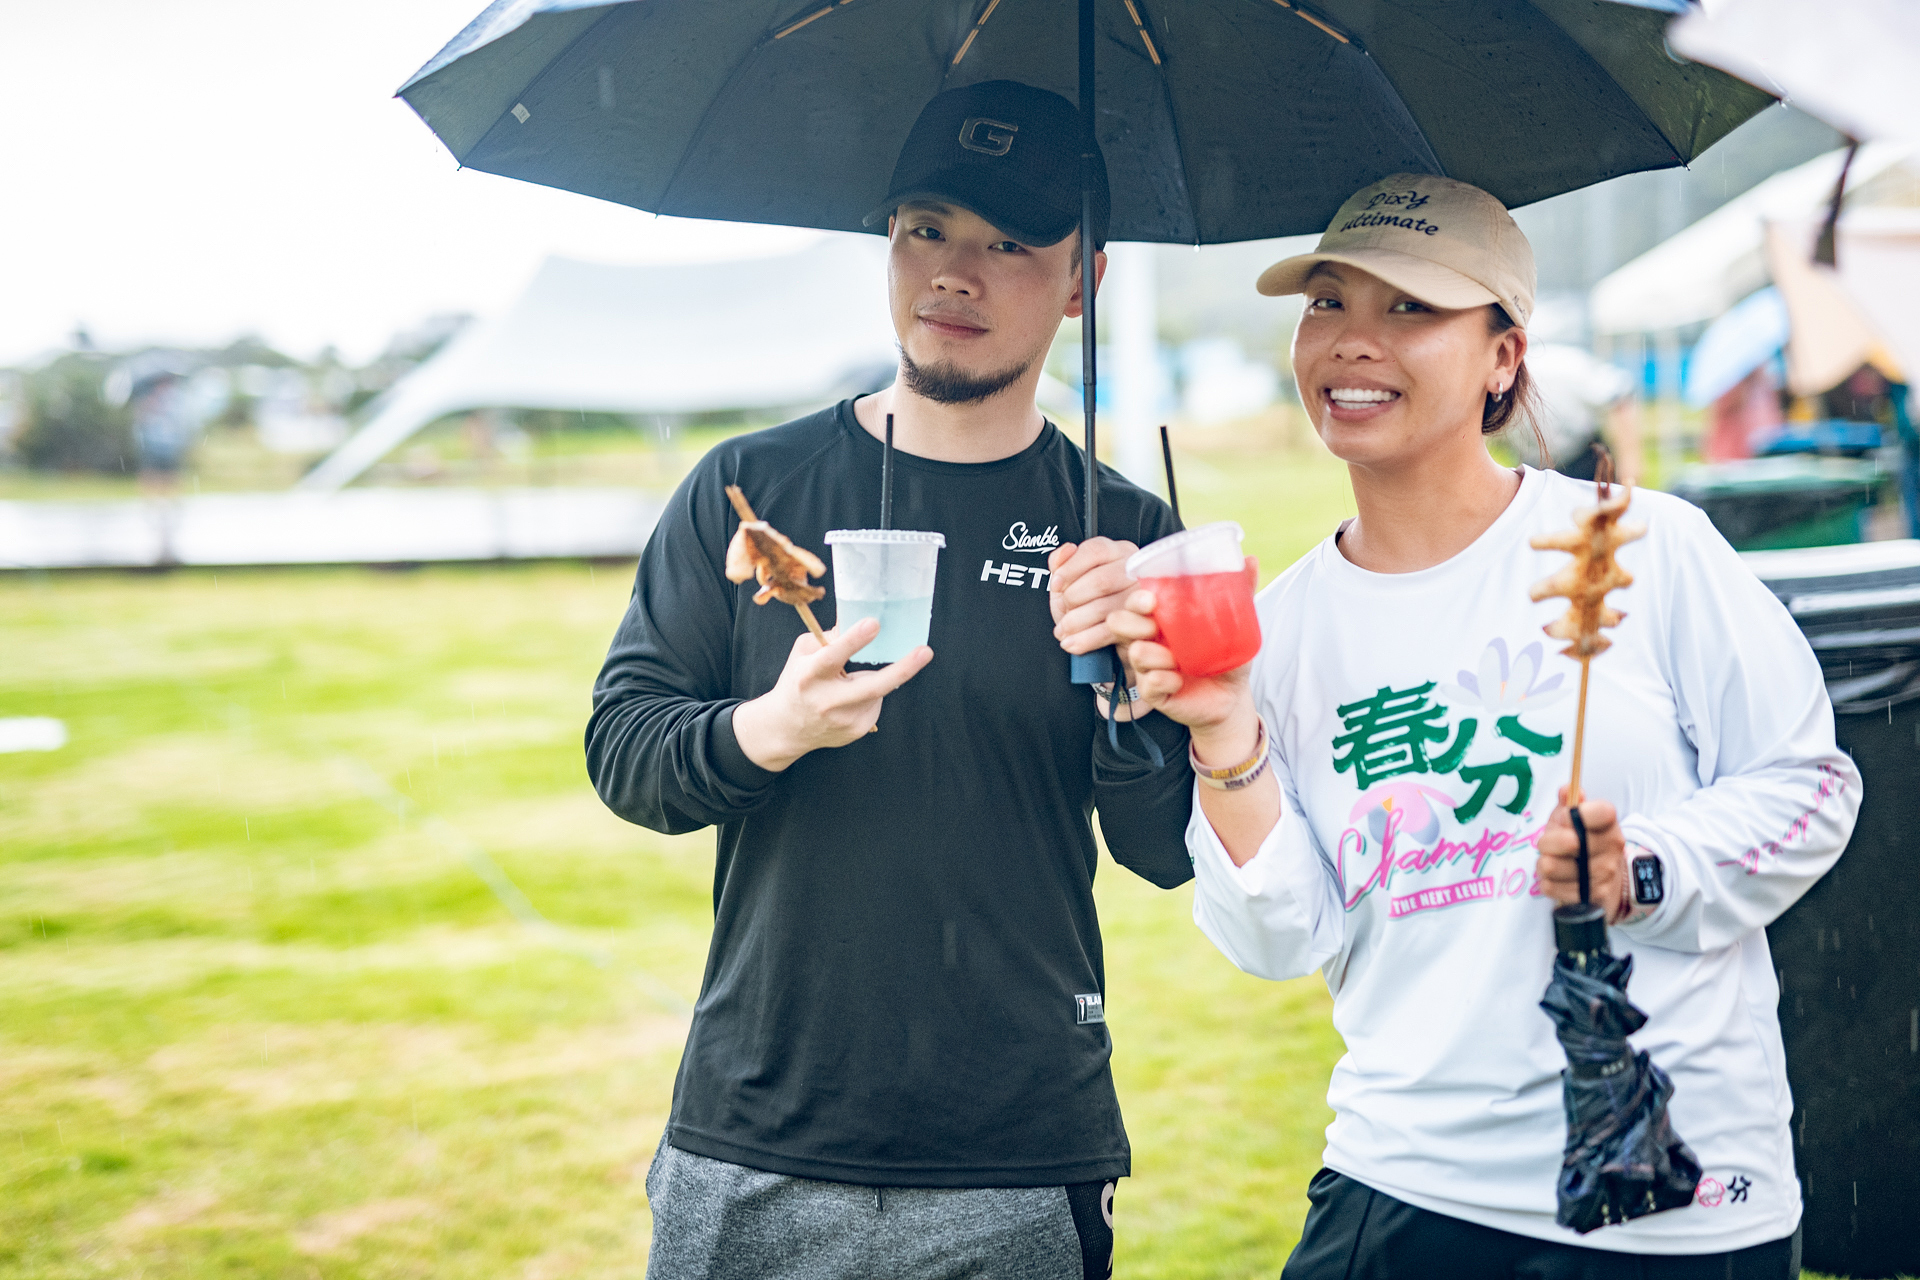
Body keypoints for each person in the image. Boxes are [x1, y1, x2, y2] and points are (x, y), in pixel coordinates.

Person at [1107, 174, 1860, 1279]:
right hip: (1408, 1181)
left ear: (1505, 355)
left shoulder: (1638, 545)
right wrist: (1226, 731)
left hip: (1666, 1193)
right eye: (1328, 303)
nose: (1353, 342)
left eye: (1409, 308)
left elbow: (1813, 786)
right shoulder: (1282, 630)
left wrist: (1643, 866)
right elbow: (1282, 939)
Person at [587, 80, 1193, 1280]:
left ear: (1086, 280)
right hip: (754, 1132)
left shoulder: (1122, 533)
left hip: (1016, 1148)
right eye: (926, 227)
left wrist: (1133, 677)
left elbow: (1167, 847)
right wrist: (772, 725)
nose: (954, 273)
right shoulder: (749, 488)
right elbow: (627, 754)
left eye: (1009, 243)